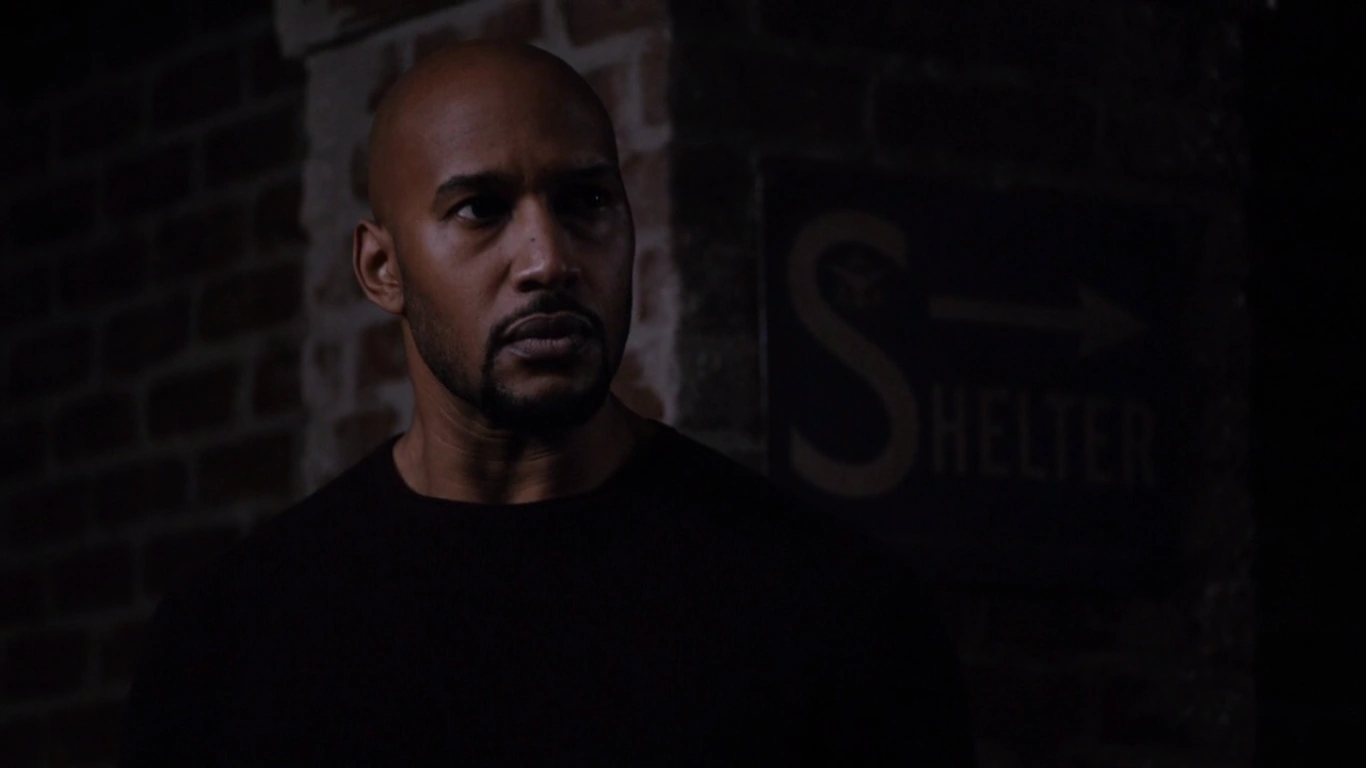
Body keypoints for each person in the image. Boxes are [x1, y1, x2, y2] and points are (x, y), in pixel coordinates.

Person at [119, 41, 976, 766]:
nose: (548, 260)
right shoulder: (230, 637)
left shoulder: (829, 607)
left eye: (586, 201)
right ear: (382, 270)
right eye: (480, 210)